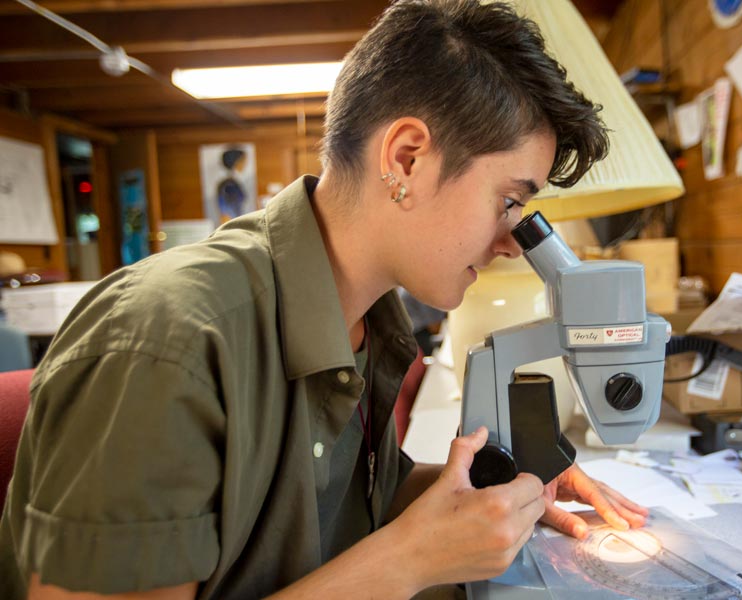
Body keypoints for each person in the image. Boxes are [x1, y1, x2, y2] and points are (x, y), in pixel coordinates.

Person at [0, 1, 648, 598]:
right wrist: (410, 559)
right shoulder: (168, 345)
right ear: (407, 158)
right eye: (509, 202)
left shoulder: (364, 322)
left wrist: (503, 494)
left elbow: (339, 505)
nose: (513, 240)